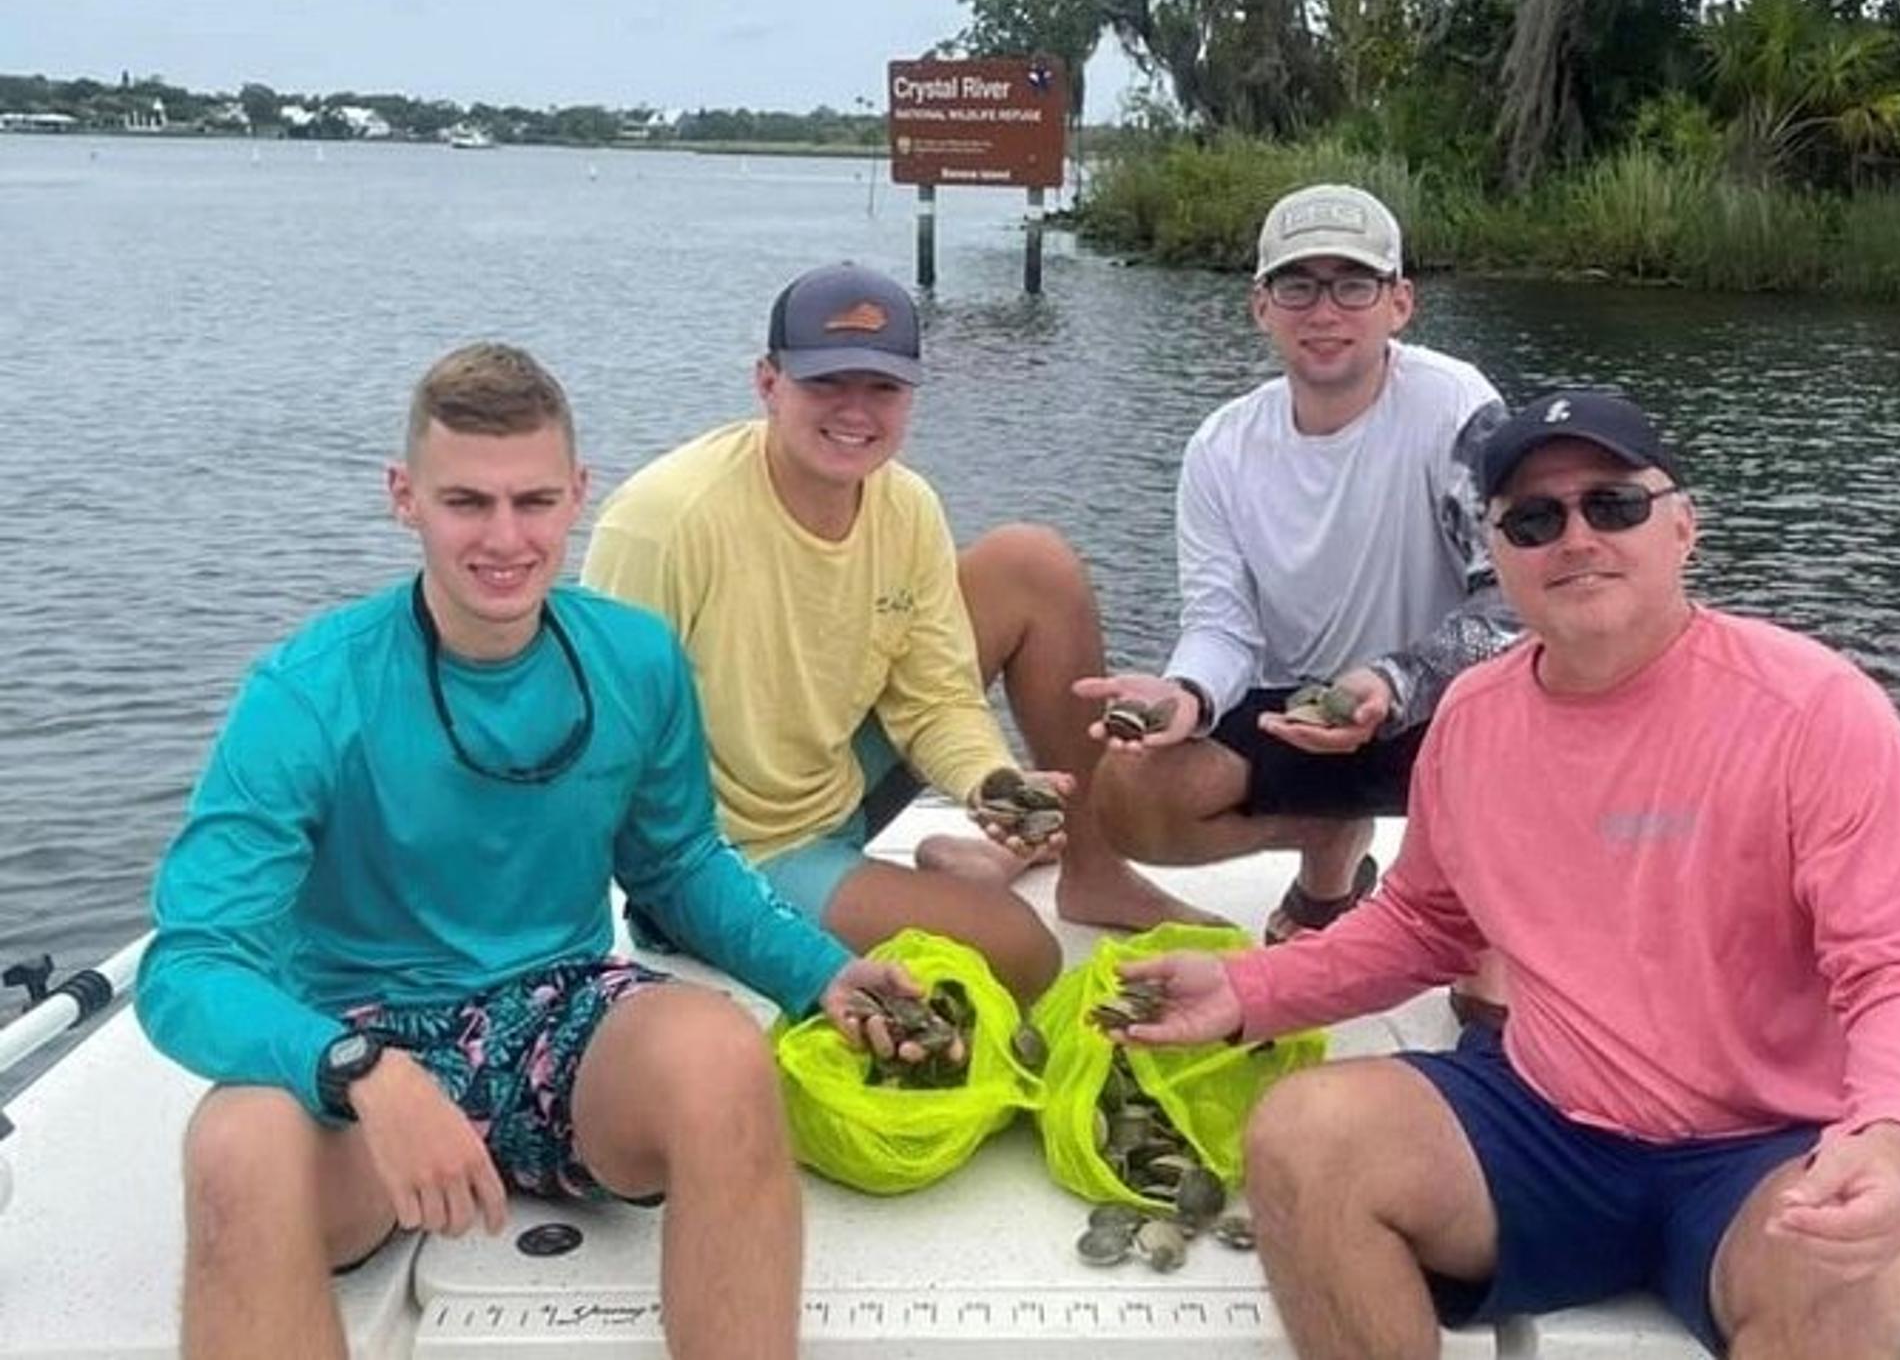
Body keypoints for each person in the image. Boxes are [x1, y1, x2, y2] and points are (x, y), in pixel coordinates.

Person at [1117, 389, 1900, 1359]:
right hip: (1544, 1122)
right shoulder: (1472, 718)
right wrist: (1245, 989)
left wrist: (1889, 1136)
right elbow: (1423, 923)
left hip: (1775, 1144)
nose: (1573, 538)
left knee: (1844, 1277)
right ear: (1497, 554)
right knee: (1302, 1136)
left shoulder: (1816, 711)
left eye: (1610, 505)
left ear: (1681, 525)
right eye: (1531, 519)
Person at [137, 343, 921, 1360]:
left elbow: (679, 865)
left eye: (534, 502)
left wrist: (819, 974)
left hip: (563, 1014)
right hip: (362, 1041)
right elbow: (188, 965)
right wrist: (362, 1072)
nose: (505, 539)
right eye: (466, 502)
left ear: (577, 496)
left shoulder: (635, 660)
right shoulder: (305, 692)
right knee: (237, 1146)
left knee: (724, 1057)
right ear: (403, 498)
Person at [582, 262, 1206, 1004]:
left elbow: (935, 696)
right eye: (826, 382)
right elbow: (601, 749)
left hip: (832, 785)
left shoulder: (907, 505)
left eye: (882, 387)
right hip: (729, 855)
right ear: (767, 382)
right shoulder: (664, 518)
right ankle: (923, 883)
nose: (856, 410)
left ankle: (1089, 870)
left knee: (1031, 566)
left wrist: (990, 782)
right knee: (1022, 953)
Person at [1073, 183, 1519, 960]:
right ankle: (1331, 842)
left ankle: (1463, 910)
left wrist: (1395, 682)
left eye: (1353, 284)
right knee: (1128, 795)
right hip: (1295, 711)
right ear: (1261, 306)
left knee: (1544, 729)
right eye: (1297, 284)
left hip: (1439, 711)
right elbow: (1221, 627)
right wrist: (1187, 693)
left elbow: (1513, 599)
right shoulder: (1221, 446)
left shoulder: (1455, 407)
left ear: (1400, 302)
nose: (1325, 310)